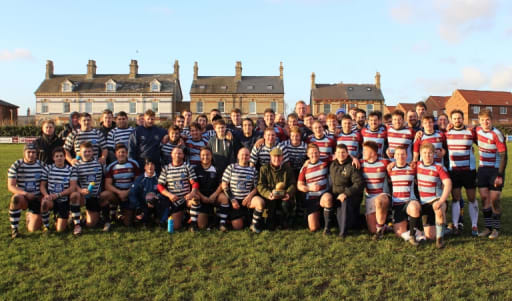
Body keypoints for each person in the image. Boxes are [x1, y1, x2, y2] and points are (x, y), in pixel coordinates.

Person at [475, 109, 507, 239]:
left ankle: (496, 229)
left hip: (495, 171)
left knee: (494, 200)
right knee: (484, 199)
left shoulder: (497, 134)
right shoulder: (476, 130)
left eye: (487, 120)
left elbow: (504, 155)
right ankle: (488, 228)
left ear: (491, 120)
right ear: (479, 121)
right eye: (482, 120)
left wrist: (500, 175)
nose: (485, 122)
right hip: (482, 169)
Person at [445, 109, 479, 235]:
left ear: (463, 119)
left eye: (459, 118)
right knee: (456, 198)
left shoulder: (470, 132)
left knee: (471, 198)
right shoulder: (447, 133)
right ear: (451, 120)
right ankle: (454, 225)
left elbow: (480, 143)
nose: (457, 120)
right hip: (454, 171)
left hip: (469, 171)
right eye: (454, 118)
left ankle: (474, 226)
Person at [414, 142, 452, 248]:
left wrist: (441, 201)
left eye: (430, 153)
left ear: (434, 154)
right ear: (421, 153)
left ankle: (440, 240)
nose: (427, 155)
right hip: (424, 203)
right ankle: (446, 229)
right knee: (430, 236)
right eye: (425, 153)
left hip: (436, 199)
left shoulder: (439, 167)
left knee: (439, 209)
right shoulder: (417, 166)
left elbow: (448, 184)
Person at [7, 143, 47, 238]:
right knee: (16, 198)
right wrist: (25, 193)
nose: (31, 155)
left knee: (33, 229)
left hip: (36, 198)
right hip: (24, 197)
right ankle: (15, 229)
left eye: (33, 152)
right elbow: (11, 186)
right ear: (24, 153)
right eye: (28, 152)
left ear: (37, 154)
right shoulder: (17, 165)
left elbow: (46, 183)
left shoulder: (42, 165)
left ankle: (30, 215)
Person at [157, 147, 199, 230]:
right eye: (175, 153)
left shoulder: (187, 167)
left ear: (183, 155)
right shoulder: (166, 168)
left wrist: (192, 193)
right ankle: (185, 217)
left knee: (196, 198)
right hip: (174, 200)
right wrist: (169, 195)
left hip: (186, 199)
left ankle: (193, 224)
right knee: (176, 227)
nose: (177, 155)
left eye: (180, 153)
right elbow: (160, 185)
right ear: (171, 155)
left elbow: (195, 183)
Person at [256, 148, 296, 231]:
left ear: (282, 157)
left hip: (284, 196)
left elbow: (292, 184)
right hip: (270, 196)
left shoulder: (287, 168)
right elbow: (260, 185)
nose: (277, 159)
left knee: (285, 205)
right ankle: (271, 221)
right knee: (270, 222)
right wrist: (268, 194)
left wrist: (288, 193)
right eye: (274, 156)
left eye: (279, 156)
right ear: (270, 157)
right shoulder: (264, 169)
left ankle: (285, 222)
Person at [69, 142, 107, 230]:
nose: (87, 154)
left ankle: (88, 216)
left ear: (93, 152)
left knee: (91, 224)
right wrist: (80, 190)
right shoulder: (76, 165)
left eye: (89, 151)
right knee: (74, 195)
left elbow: (105, 179)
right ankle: (76, 222)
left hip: (94, 196)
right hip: (82, 196)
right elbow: (73, 184)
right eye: (84, 152)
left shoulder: (99, 164)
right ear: (80, 153)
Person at [40, 147, 78, 233]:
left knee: (60, 230)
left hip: (63, 200)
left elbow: (72, 188)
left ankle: (64, 216)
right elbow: (42, 185)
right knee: (44, 202)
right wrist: (46, 195)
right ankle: (46, 226)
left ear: (65, 157)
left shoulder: (71, 170)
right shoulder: (48, 168)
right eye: (57, 156)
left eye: (61, 156)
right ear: (53, 158)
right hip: (51, 199)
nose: (59, 158)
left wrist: (58, 195)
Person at [329, 144, 364, 238]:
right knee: (326, 199)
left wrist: (346, 193)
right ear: (335, 154)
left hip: (349, 195)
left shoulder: (352, 165)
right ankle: (327, 227)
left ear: (347, 153)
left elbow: (359, 183)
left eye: (343, 152)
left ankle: (343, 232)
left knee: (343, 202)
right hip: (335, 193)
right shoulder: (332, 164)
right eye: (339, 152)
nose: (341, 154)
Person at [102, 144, 141, 227]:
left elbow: (137, 182)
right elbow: (107, 185)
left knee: (127, 223)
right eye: (119, 152)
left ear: (127, 153)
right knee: (104, 195)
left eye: (123, 152)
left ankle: (122, 214)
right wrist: (119, 192)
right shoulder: (111, 166)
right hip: (117, 193)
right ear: (116, 154)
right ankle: (107, 219)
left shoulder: (134, 164)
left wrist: (127, 192)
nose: (121, 154)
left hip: (130, 193)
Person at [221, 148, 259, 231]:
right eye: (242, 154)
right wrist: (232, 199)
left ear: (249, 157)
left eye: (247, 155)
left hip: (247, 200)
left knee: (259, 202)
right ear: (238, 156)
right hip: (234, 200)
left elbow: (256, 188)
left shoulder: (253, 170)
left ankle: (253, 223)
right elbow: (224, 184)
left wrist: (249, 196)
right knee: (238, 227)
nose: (244, 157)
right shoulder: (231, 167)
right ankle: (228, 219)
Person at [387, 146, 419, 245]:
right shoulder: (390, 169)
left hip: (409, 202)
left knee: (414, 207)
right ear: (394, 156)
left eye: (403, 154)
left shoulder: (413, 168)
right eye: (398, 154)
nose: (400, 156)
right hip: (397, 204)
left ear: (407, 155)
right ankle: (417, 231)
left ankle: (413, 235)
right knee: (399, 234)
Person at [297, 144, 333, 233]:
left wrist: (354, 158)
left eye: (316, 152)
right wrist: (310, 188)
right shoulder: (305, 167)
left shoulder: (325, 161)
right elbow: (299, 186)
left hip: (324, 194)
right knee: (313, 228)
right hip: (312, 198)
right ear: (308, 155)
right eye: (311, 153)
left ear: (319, 153)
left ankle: (327, 228)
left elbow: (338, 155)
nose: (314, 154)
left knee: (328, 198)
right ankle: (321, 216)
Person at [360, 141, 390, 239]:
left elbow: (398, 163)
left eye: (365, 151)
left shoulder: (384, 162)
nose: (363, 152)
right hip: (369, 197)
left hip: (382, 195)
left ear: (373, 153)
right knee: (372, 230)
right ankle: (386, 226)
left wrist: (392, 164)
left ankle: (380, 230)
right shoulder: (361, 163)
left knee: (379, 201)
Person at [193, 147, 223, 230]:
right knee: (201, 226)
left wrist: (214, 195)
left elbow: (221, 184)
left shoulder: (216, 168)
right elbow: (194, 186)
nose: (205, 157)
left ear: (211, 156)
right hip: (201, 197)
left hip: (213, 197)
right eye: (203, 155)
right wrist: (203, 197)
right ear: (199, 156)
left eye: (207, 155)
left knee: (224, 198)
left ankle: (221, 222)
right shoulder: (195, 169)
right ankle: (193, 218)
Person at [129, 158, 161, 225]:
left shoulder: (159, 178)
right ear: (144, 167)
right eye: (147, 164)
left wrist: (155, 199)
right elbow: (132, 194)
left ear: (155, 166)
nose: (150, 166)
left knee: (161, 220)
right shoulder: (140, 179)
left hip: (156, 204)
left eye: (152, 164)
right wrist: (138, 206)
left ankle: (157, 217)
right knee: (141, 220)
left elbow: (164, 192)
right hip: (143, 204)